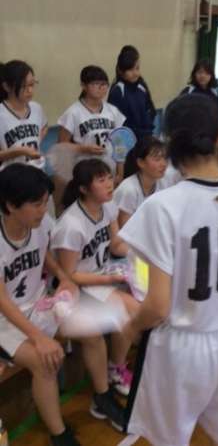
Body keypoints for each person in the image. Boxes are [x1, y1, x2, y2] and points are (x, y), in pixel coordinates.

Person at [120, 94, 218, 446]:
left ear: (169, 141)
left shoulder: (162, 206)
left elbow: (157, 305)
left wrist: (131, 326)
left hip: (181, 347)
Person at [0, 164, 80, 446]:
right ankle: (59, 434)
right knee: (43, 362)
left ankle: (105, 390)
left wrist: (63, 278)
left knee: (89, 324)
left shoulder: (41, 224)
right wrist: (38, 338)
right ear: (10, 205)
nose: (44, 210)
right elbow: (3, 301)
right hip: (5, 320)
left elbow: (44, 255)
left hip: (36, 304)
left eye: (46, 202)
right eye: (37, 204)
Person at [51, 159, 141, 400]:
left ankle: (118, 365)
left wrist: (140, 252)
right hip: (82, 285)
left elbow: (116, 245)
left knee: (148, 290)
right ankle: (116, 370)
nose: (110, 184)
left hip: (105, 272)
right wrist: (110, 278)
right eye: (101, 180)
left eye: (110, 177)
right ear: (83, 188)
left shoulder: (107, 206)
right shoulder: (71, 226)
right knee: (132, 311)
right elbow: (69, 275)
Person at [57, 65, 126, 183]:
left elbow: (120, 144)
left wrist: (120, 173)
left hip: (110, 171)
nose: (101, 88)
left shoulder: (113, 111)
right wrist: (83, 148)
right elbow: (61, 146)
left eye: (104, 84)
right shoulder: (73, 112)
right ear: (84, 86)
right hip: (86, 173)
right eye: (95, 84)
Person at [0, 60, 47, 170]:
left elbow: (45, 126)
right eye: (23, 86)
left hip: (38, 170)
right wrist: (20, 151)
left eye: (32, 84)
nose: (30, 90)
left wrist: (37, 139)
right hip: (11, 174)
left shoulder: (36, 108)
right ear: (7, 87)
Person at [114, 136, 168, 228]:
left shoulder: (163, 183)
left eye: (165, 158)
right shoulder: (129, 190)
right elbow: (124, 230)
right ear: (140, 162)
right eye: (157, 159)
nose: (164, 164)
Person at [108, 45, 156, 140]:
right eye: (130, 69)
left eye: (137, 68)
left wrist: (148, 129)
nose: (135, 73)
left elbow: (150, 110)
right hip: (127, 140)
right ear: (121, 71)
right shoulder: (117, 91)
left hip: (146, 137)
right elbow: (115, 123)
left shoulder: (141, 87)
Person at [180, 59, 218, 124]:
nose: (203, 76)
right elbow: (179, 112)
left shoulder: (215, 94)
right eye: (200, 72)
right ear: (194, 74)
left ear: (211, 76)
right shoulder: (187, 92)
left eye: (207, 73)